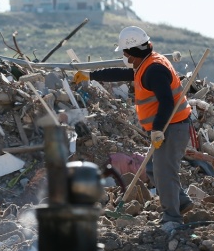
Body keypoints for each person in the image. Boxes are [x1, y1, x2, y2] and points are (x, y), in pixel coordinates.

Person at [73, 26, 193, 232]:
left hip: (171, 127)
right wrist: (90, 75)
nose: (124, 57)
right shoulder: (145, 64)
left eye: (125, 53)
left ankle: (172, 219)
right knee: (152, 169)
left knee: (164, 172)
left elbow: (166, 102)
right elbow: (122, 73)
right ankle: (181, 202)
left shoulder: (154, 69)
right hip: (167, 127)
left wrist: (157, 130)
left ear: (134, 52)